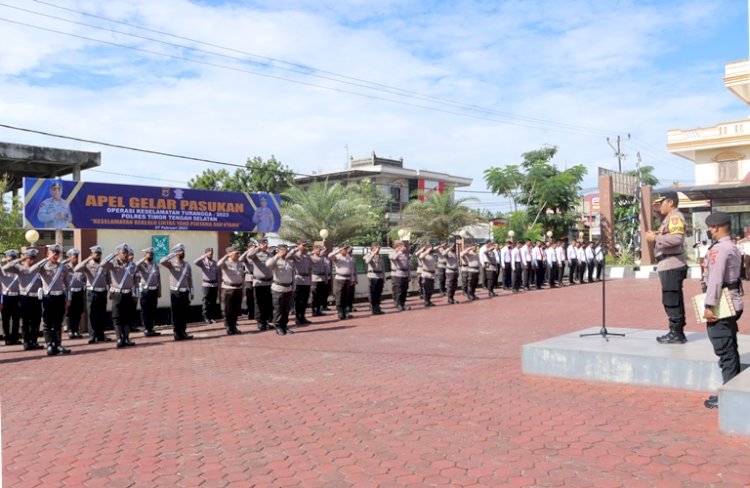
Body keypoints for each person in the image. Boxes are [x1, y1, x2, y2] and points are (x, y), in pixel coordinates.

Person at [701, 212, 744, 409]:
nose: (709, 231)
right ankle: (732, 390)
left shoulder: (719, 250)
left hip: (721, 303)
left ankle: (729, 396)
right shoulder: (732, 246)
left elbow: (715, 279)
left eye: (710, 228)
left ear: (717, 228)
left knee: (724, 350)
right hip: (732, 300)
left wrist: (709, 305)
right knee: (730, 347)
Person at [644, 191, 689, 344]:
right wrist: (656, 211)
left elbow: (677, 238)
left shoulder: (675, 217)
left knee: (671, 298)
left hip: (671, 263)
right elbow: (668, 230)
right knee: (672, 298)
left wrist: (655, 238)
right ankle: (676, 332)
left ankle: (676, 333)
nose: (660, 205)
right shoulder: (670, 218)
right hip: (668, 263)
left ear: (670, 202)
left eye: (661, 202)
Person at [29, 244, 72, 355]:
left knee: (58, 322)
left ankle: (58, 344)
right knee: (47, 323)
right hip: (48, 297)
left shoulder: (62, 267)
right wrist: (46, 259)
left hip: (60, 297)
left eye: (57, 253)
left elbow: (68, 284)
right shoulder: (43, 266)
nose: (55, 255)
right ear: (48, 254)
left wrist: (68, 299)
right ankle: (49, 345)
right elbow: (31, 270)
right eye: (52, 253)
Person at [3, 248, 45, 350]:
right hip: (24, 298)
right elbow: (6, 267)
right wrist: (21, 259)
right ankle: (27, 342)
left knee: (36, 320)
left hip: (36, 298)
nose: (32, 260)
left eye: (33, 258)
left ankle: (34, 341)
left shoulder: (38, 268)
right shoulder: (19, 268)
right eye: (30, 258)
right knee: (26, 321)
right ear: (26, 258)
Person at [101, 244, 138, 348]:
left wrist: (136, 294)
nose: (125, 255)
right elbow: (103, 264)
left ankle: (126, 338)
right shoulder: (113, 264)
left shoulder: (133, 265)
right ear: (119, 253)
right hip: (117, 294)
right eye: (123, 253)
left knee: (127, 317)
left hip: (128, 294)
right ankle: (119, 338)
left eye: (127, 253)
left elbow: (136, 281)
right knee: (117, 317)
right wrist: (113, 255)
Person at [75, 245, 112, 344]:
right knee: (92, 314)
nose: (98, 256)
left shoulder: (104, 265)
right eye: (96, 254)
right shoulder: (88, 264)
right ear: (92, 254)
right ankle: (92, 335)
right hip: (92, 291)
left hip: (102, 292)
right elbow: (77, 269)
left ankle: (101, 335)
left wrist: (111, 289)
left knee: (101, 314)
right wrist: (88, 259)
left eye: (99, 254)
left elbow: (108, 278)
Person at [160, 243, 194, 341]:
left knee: (184, 313)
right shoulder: (171, 263)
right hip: (175, 292)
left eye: (183, 251)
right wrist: (172, 254)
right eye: (180, 251)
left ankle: (183, 332)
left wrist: (192, 292)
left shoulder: (187, 265)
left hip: (185, 292)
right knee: (175, 314)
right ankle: (177, 333)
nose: (182, 253)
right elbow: (162, 261)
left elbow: (190, 279)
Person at [244, 239, 274, 330]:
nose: (265, 246)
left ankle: (266, 321)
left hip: (269, 282)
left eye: (266, 244)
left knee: (267, 303)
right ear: (260, 244)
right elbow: (249, 255)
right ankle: (260, 322)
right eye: (264, 244)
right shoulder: (255, 254)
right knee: (259, 303)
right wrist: (257, 248)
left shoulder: (269, 254)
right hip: (259, 283)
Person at [266, 243, 295, 335]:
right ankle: (278, 326)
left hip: (288, 288)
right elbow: (268, 264)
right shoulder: (275, 261)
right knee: (278, 309)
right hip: (278, 288)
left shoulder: (290, 261)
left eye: (286, 250)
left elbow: (292, 275)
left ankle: (285, 326)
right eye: (283, 250)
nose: (285, 252)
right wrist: (277, 255)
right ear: (278, 251)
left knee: (286, 309)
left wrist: (293, 286)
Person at [217, 246, 244, 335]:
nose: (238, 255)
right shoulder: (226, 263)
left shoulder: (240, 263)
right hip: (228, 289)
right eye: (236, 253)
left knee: (236, 309)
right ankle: (228, 327)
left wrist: (242, 288)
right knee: (228, 310)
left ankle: (234, 326)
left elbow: (242, 275)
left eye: (238, 253)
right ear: (230, 254)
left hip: (238, 288)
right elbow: (218, 264)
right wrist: (227, 256)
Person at [136, 247, 162, 337]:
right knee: (145, 311)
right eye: (148, 254)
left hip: (154, 290)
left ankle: (151, 329)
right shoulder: (141, 265)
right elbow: (135, 266)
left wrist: (159, 291)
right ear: (145, 254)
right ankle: (146, 329)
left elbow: (159, 279)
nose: (150, 255)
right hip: (145, 291)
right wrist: (143, 259)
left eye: (151, 254)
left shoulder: (155, 265)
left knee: (153, 311)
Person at [287, 240, 312, 325]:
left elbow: (310, 269)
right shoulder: (295, 255)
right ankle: (298, 318)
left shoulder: (307, 256)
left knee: (305, 300)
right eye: (303, 245)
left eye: (306, 245)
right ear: (298, 246)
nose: (305, 247)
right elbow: (287, 256)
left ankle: (303, 317)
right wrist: (296, 249)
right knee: (298, 301)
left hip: (307, 280)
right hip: (299, 280)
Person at [329, 244, 356, 320]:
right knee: (339, 296)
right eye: (345, 249)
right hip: (340, 279)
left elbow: (351, 269)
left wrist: (352, 279)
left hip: (347, 279)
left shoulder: (348, 258)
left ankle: (345, 312)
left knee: (346, 296)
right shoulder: (337, 257)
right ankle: (340, 312)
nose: (346, 250)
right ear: (341, 249)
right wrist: (338, 250)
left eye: (347, 249)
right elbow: (330, 255)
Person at [194, 247, 219, 325]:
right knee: (206, 301)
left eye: (212, 253)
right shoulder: (202, 262)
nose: (211, 254)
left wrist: (218, 284)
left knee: (213, 302)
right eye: (209, 253)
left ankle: (212, 317)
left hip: (214, 284)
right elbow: (195, 262)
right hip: (206, 284)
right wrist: (204, 256)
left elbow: (217, 274)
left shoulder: (215, 263)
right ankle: (206, 317)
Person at [1, 249, 22, 345]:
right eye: (10, 258)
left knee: (16, 319)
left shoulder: (19, 268)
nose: (12, 260)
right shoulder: (2, 268)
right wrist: (3, 261)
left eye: (14, 258)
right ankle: (7, 338)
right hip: (6, 297)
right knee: (6, 319)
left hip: (17, 296)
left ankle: (15, 337)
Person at [65, 248, 85, 340]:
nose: (76, 258)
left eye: (77, 256)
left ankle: (76, 330)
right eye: (74, 257)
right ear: (69, 257)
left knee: (78, 311)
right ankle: (70, 331)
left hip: (79, 292)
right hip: (70, 292)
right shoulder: (65, 267)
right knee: (69, 312)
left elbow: (84, 279)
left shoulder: (81, 267)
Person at [364, 242, 386, 314]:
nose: (378, 249)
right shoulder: (369, 254)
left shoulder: (380, 256)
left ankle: (378, 307)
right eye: (377, 248)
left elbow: (383, 268)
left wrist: (383, 277)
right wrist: (373, 253)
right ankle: (373, 308)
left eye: (379, 248)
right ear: (373, 248)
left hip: (379, 276)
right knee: (372, 293)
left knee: (378, 293)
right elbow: (367, 261)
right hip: (372, 276)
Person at [390, 240, 411, 311]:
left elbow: (408, 266)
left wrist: (409, 275)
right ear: (398, 247)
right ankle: (398, 304)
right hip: (398, 274)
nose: (404, 247)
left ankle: (403, 303)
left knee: (405, 290)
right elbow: (393, 258)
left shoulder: (405, 254)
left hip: (405, 274)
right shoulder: (394, 253)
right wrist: (399, 252)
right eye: (402, 246)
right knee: (399, 290)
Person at [310, 244, 330, 316]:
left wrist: (326, 278)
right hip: (315, 278)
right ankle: (314, 310)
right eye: (318, 250)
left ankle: (318, 310)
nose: (319, 251)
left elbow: (324, 269)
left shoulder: (322, 258)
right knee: (315, 296)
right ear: (314, 250)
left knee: (320, 295)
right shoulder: (311, 257)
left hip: (322, 278)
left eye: (320, 250)